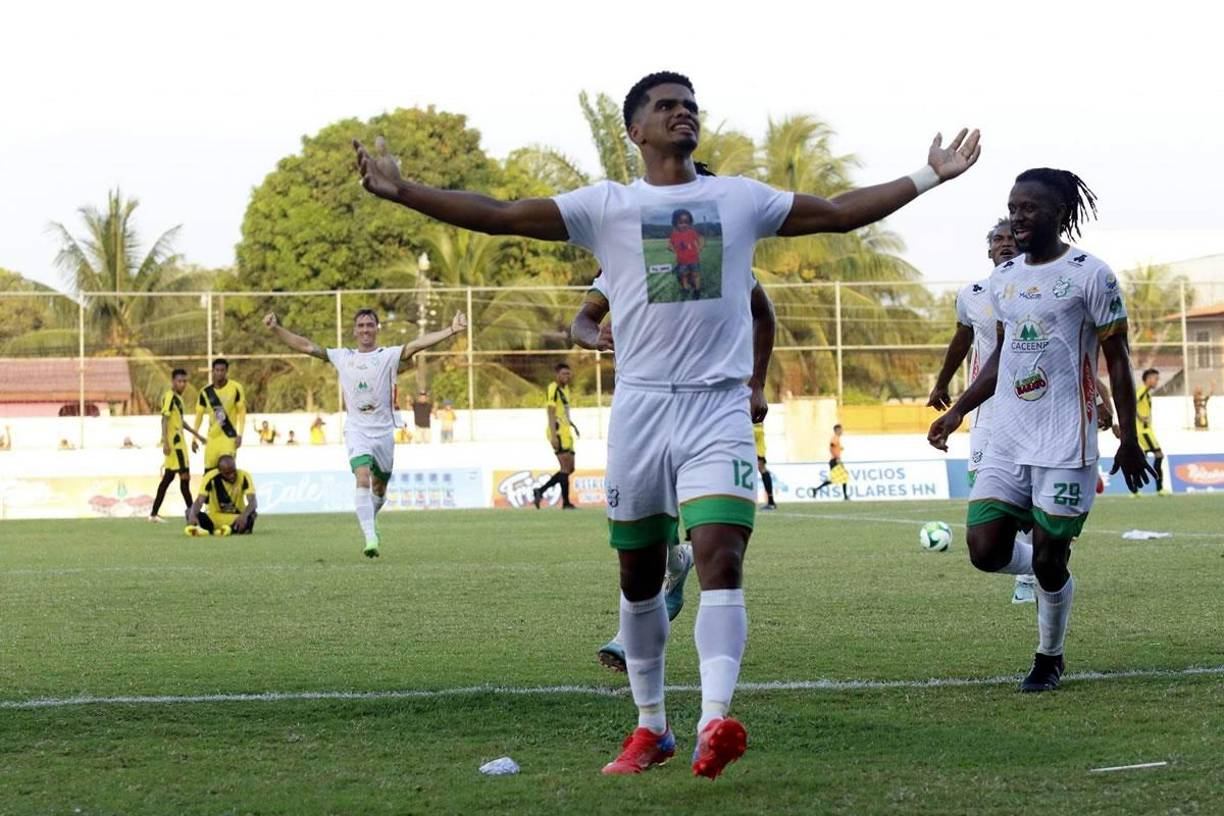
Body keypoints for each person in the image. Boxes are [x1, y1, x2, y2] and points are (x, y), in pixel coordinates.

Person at [354, 69, 980, 778]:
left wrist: (929, 175)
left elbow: (836, 212)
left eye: (690, 105)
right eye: (666, 106)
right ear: (636, 131)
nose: (683, 114)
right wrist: (403, 191)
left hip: (715, 408)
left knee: (720, 554)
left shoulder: (738, 199)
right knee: (639, 576)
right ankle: (651, 727)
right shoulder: (607, 207)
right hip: (641, 410)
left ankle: (716, 719)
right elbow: (501, 213)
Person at [928, 167, 1152, 694]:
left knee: (1051, 558)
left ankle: (1048, 657)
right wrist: (958, 409)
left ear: (1059, 212)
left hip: (1064, 441)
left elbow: (1117, 360)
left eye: (1029, 208)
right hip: (1005, 434)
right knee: (985, 551)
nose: (1018, 217)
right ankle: (1051, 569)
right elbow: (1000, 357)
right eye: (1013, 207)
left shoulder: (1091, 275)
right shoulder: (1003, 281)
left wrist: (1129, 436)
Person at [571, 271, 696, 674]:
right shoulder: (617, 266)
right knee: (640, 529)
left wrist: (754, 382)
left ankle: (633, 636)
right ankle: (676, 565)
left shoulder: (703, 257)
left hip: (701, 404)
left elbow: (757, 309)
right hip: (638, 414)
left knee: (711, 537)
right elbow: (581, 322)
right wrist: (595, 336)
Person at [264, 308, 466, 557]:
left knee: (379, 490)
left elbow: (417, 344)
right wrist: (276, 328)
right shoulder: (343, 356)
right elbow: (305, 346)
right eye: (361, 326)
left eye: (370, 325)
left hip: (383, 433)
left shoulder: (388, 356)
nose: (365, 330)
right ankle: (370, 538)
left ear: (377, 328)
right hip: (357, 430)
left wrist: (451, 330)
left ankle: (372, 521)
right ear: (354, 330)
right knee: (362, 477)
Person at [928, 219, 1038, 602]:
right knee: (986, 485)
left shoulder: (1036, 290)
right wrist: (942, 382)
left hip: (1029, 404)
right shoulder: (972, 294)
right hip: (985, 409)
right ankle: (1040, 560)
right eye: (997, 239)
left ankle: (1029, 577)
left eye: (1011, 238)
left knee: (1025, 491)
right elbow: (962, 338)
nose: (1005, 244)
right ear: (988, 249)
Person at [149, 368, 205, 523]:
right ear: (173, 382)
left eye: (185, 381)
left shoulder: (178, 399)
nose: (183, 384)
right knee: (184, 479)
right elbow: (164, 419)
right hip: (176, 446)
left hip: (180, 444)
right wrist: (165, 442)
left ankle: (153, 514)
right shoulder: (170, 397)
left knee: (168, 479)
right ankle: (192, 514)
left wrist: (197, 435)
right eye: (180, 381)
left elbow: (180, 422)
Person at [532, 363, 579, 509]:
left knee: (570, 468)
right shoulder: (553, 388)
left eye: (568, 374)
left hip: (566, 431)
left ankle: (540, 491)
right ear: (557, 375)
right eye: (564, 374)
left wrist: (573, 425)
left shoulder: (566, 390)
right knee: (565, 467)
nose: (567, 376)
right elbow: (551, 411)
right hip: (558, 431)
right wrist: (553, 435)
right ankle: (566, 502)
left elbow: (563, 411)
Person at [192, 358, 245, 474]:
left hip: (229, 437)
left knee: (228, 473)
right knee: (209, 473)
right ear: (213, 371)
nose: (219, 373)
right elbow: (199, 417)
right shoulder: (205, 392)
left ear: (226, 371)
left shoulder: (236, 388)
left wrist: (240, 435)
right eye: (217, 370)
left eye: (222, 370)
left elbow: (241, 412)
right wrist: (194, 438)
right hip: (212, 439)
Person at [186, 454, 257, 536]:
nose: (232, 476)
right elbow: (199, 500)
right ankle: (227, 530)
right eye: (227, 473)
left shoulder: (244, 476)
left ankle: (218, 530)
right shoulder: (210, 477)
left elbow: (253, 502)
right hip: (213, 518)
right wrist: (192, 515)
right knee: (189, 512)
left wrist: (243, 516)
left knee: (251, 515)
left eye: (234, 471)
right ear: (219, 471)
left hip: (236, 518)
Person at [1134, 368, 1165, 494]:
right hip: (1144, 431)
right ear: (1148, 379)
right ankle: (1159, 489)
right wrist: (1139, 416)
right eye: (1155, 378)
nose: (1157, 381)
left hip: (1146, 430)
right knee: (1159, 455)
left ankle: (1135, 490)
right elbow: (1132, 403)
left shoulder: (1146, 393)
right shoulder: (1142, 391)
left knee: (1142, 459)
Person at [669, 208, 704, 298]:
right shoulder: (674, 235)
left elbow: (701, 240)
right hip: (682, 261)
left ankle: (697, 290)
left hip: (694, 259)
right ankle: (685, 288)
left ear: (690, 223)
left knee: (695, 275)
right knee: (683, 275)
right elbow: (669, 245)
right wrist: (673, 250)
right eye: (680, 223)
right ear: (675, 223)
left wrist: (699, 249)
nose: (684, 225)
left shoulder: (692, 232)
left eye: (686, 222)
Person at [812, 425, 850, 500]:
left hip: (835, 460)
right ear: (837, 430)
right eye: (840, 430)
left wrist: (840, 450)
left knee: (840, 478)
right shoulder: (835, 438)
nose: (842, 431)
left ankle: (816, 489)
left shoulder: (837, 438)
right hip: (835, 460)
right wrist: (837, 457)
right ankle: (845, 496)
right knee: (843, 477)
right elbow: (832, 446)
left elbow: (834, 447)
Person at [754, 422, 776, 510]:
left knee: (760, 468)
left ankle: (771, 502)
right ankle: (771, 501)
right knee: (761, 468)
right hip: (759, 430)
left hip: (751, 431)